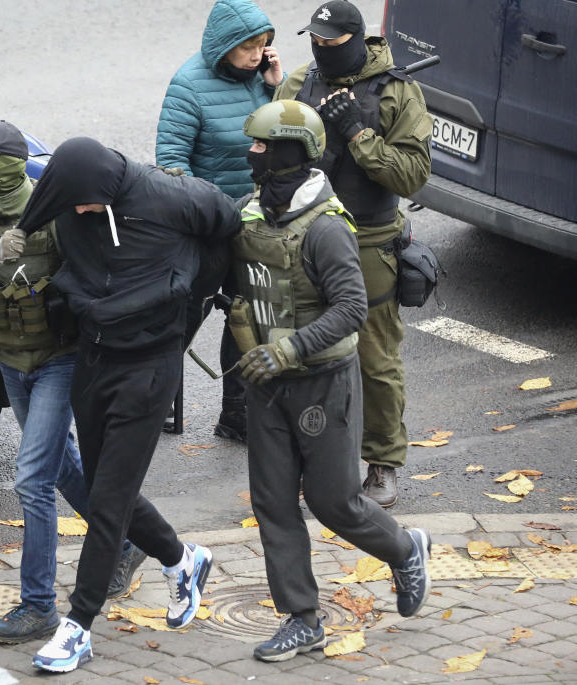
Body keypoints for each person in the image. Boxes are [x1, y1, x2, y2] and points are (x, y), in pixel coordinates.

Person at [13, 136, 241, 673]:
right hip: (94, 361)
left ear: (107, 186)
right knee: (103, 488)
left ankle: (78, 626)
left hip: (151, 365)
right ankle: (183, 560)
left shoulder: (173, 197)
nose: (80, 212)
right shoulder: (72, 209)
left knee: (109, 504)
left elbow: (229, 225)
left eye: (86, 201)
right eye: (70, 204)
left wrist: (194, 298)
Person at [230, 99, 431, 662]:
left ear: (291, 151)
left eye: (262, 146)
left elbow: (351, 308)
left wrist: (289, 349)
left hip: (322, 381)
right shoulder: (250, 213)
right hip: (267, 383)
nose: (252, 154)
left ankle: (404, 549)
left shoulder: (326, 228)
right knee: (272, 502)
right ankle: (302, 617)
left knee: (334, 501)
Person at [0, 121, 146, 646]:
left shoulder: (54, 211)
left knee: (31, 478)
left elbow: (103, 265)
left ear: (9, 164)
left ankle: (37, 606)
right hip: (9, 357)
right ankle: (124, 543)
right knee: (58, 462)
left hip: (58, 358)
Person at [274, 0, 433, 507]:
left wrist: (358, 134)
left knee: (374, 359)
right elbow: (265, 153)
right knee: (302, 353)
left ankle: (383, 463)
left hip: (367, 239)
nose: (321, 51)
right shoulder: (300, 83)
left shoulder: (397, 92)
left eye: (332, 44)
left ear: (357, 40)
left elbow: (411, 175)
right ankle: (314, 458)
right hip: (305, 235)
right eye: (314, 42)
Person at [156, 0, 283, 442]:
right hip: (206, 231)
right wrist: (210, 212)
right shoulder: (188, 86)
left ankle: (236, 413)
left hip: (254, 225)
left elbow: (283, 139)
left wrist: (276, 87)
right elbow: (171, 164)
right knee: (183, 318)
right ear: (225, 45)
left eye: (262, 46)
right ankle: (152, 405)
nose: (255, 55)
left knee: (244, 316)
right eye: (248, 47)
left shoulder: (262, 82)